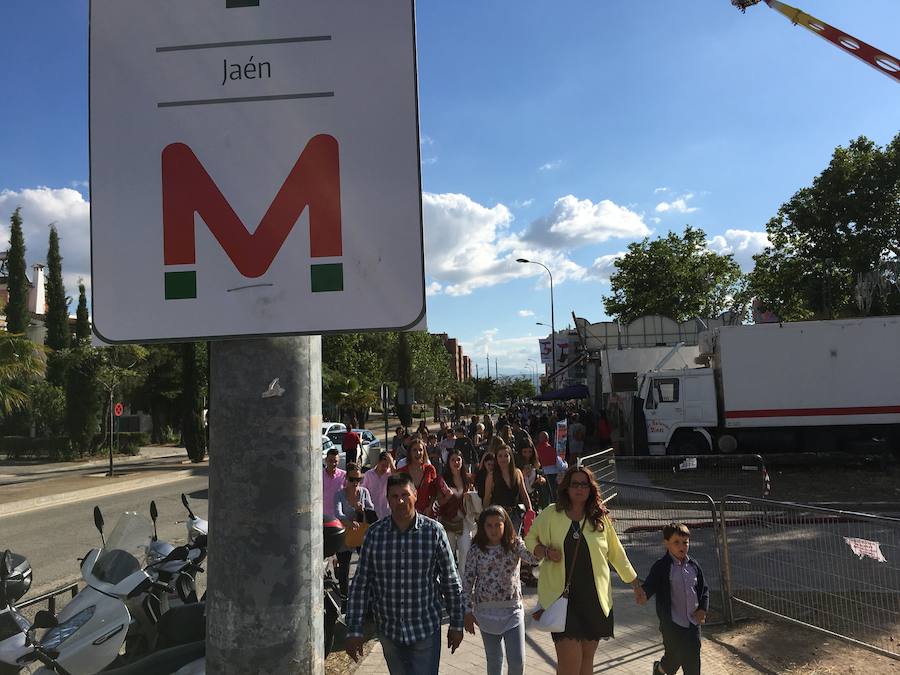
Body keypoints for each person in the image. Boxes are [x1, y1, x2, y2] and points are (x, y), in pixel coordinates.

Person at [525, 466, 643, 675]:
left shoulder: (599, 518)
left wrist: (634, 583)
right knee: (570, 664)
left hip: (594, 600)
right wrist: (544, 551)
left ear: (590, 489)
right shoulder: (552, 513)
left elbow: (616, 553)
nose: (579, 488)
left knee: (586, 663)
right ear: (566, 488)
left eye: (584, 484)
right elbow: (530, 539)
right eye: (574, 484)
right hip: (561, 599)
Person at [345, 473, 465, 674]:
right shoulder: (375, 535)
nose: (400, 501)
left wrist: (457, 623)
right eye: (394, 496)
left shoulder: (434, 532)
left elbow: (450, 580)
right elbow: (361, 583)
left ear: (415, 495)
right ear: (387, 499)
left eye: (405, 494)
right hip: (389, 630)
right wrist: (354, 629)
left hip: (424, 627)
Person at [462, 506, 541, 675]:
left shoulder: (514, 545)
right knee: (495, 661)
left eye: (498, 524)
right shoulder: (476, 550)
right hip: (486, 613)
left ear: (506, 525)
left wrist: (541, 543)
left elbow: (533, 559)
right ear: (482, 527)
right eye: (489, 525)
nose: (493, 529)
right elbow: (467, 583)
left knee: (517, 662)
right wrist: (467, 612)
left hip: (512, 611)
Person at [639, 523, 709, 675]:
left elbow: (704, 590)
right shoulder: (661, 567)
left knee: (692, 661)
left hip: (692, 624)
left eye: (685, 542)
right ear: (666, 543)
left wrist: (702, 609)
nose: (682, 546)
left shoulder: (693, 566)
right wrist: (643, 594)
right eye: (676, 542)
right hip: (672, 625)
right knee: (673, 660)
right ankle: (660, 668)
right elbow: (650, 585)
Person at [334, 463, 375, 598]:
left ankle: (365, 597)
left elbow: (371, 511)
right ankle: (345, 598)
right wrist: (350, 523)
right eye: (352, 479)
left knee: (367, 567)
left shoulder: (364, 493)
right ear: (346, 478)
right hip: (345, 536)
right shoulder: (339, 494)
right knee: (344, 569)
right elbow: (338, 513)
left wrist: (362, 510)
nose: (355, 483)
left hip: (361, 535)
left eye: (358, 480)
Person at [484, 445, 532, 535]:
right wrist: (485, 517)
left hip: (514, 514)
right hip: (497, 515)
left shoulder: (517, 473)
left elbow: (524, 493)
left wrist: (530, 510)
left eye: (506, 455)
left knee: (513, 542)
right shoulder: (492, 476)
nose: (503, 459)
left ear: (510, 457)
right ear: (496, 458)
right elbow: (487, 498)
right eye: (500, 456)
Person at [435, 449, 471, 563]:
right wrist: (447, 497)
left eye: (458, 460)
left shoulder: (468, 479)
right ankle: (451, 578)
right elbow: (439, 502)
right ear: (448, 462)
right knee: (448, 554)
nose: (456, 462)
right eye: (453, 460)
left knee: (465, 551)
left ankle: (462, 579)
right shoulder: (443, 480)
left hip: (464, 520)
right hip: (448, 521)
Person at [399, 439, 439, 515]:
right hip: (408, 514)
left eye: (420, 450)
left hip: (427, 513)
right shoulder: (402, 472)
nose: (418, 453)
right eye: (414, 450)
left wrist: (430, 507)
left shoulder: (430, 469)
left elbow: (434, 493)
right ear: (410, 453)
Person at [361, 451, 395, 520]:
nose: (385, 468)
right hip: (372, 511)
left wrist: (391, 462)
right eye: (383, 465)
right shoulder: (369, 474)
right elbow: (363, 491)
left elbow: (397, 476)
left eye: (387, 466)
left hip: (386, 512)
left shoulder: (390, 475)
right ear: (378, 462)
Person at [535, 431, 562, 503]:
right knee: (554, 495)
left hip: (542, 474)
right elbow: (559, 465)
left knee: (544, 496)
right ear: (548, 439)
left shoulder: (536, 450)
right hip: (553, 474)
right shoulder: (551, 449)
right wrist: (565, 464)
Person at [323, 447, 346, 519]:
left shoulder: (344, 475)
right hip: (322, 516)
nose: (333, 464)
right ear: (326, 460)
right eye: (330, 461)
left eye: (335, 461)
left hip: (339, 516)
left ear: (338, 461)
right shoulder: (318, 476)